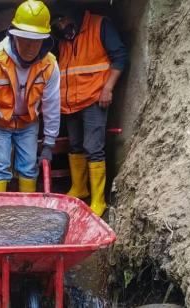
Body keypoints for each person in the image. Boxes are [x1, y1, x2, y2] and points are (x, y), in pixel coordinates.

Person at [0, 0, 60, 193]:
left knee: (28, 167)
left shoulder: (49, 65)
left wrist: (49, 143)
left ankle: (25, 215)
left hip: (27, 123)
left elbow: (52, 105)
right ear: (13, 35)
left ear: (45, 39)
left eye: (36, 40)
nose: (30, 46)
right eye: (25, 39)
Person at [51, 8, 128, 216]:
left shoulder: (100, 25)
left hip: (94, 97)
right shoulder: (63, 38)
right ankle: (80, 187)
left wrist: (108, 88)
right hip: (70, 102)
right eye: (56, 25)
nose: (61, 27)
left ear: (72, 15)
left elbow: (120, 57)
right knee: (75, 146)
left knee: (93, 147)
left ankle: (98, 200)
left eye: (62, 20)